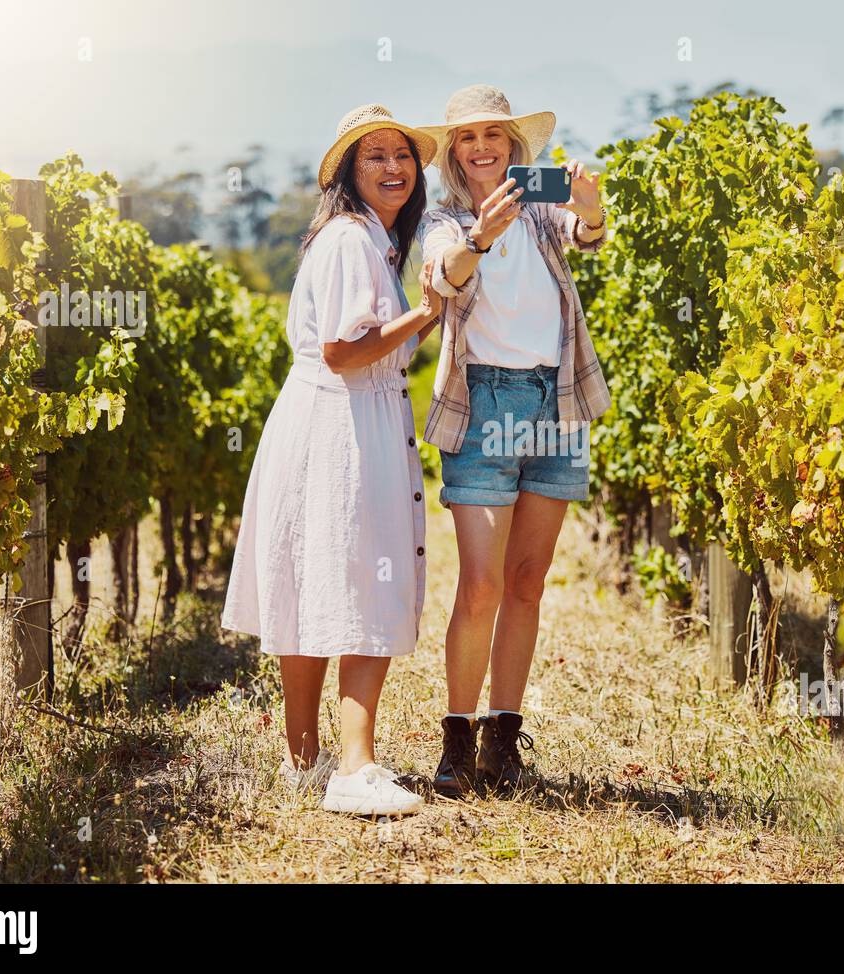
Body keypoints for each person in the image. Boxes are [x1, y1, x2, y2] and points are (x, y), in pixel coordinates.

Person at [221, 105, 440, 817]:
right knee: (361, 580)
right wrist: (427, 313)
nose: (395, 167)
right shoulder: (352, 240)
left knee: (315, 581)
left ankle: (304, 758)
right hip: (345, 422)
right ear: (348, 173)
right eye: (375, 156)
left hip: (317, 420)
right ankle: (356, 767)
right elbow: (347, 352)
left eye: (403, 155)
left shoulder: (356, 238)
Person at [417, 84, 611, 796]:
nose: (481, 147)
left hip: (555, 399)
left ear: (513, 146)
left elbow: (585, 233)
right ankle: (455, 740)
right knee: (481, 584)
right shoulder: (445, 219)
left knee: (527, 582)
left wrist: (589, 211)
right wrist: (478, 236)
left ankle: (503, 738)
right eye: (467, 138)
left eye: (493, 135)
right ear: (454, 153)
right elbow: (444, 274)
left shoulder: (537, 210)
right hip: (486, 401)